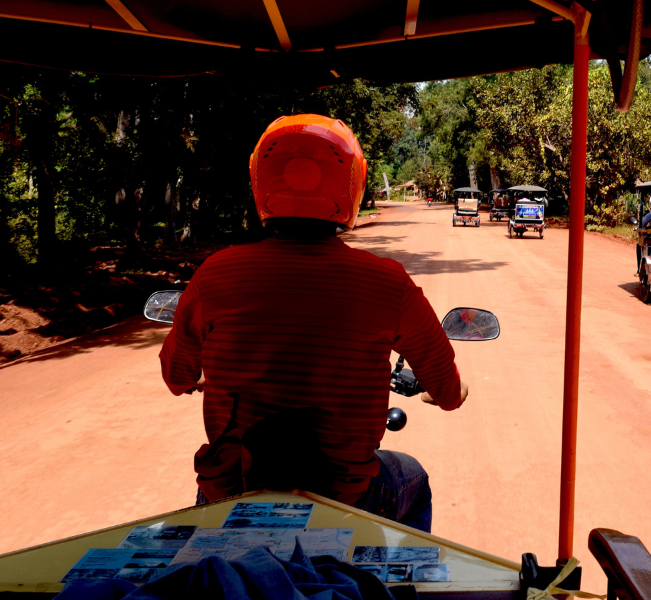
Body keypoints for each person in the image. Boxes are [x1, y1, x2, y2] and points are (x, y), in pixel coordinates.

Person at [159, 114, 468, 533]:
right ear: (351, 186)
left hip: (230, 496)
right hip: (343, 499)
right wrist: (451, 390)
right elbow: (448, 393)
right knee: (414, 479)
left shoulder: (215, 274)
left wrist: (203, 376)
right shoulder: (388, 282)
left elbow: (177, 375)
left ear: (261, 183)